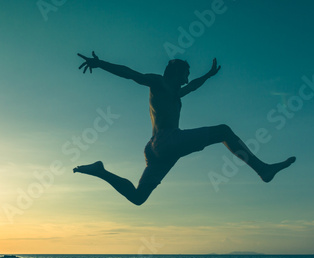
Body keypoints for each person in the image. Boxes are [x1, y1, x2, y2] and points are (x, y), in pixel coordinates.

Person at [74, 51, 296, 206]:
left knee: (139, 198)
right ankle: (262, 169)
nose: (187, 78)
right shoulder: (159, 82)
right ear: (175, 72)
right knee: (224, 131)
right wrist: (100, 63)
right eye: (185, 73)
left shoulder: (175, 93)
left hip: (154, 149)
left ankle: (100, 171)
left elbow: (192, 86)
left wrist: (208, 76)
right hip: (167, 140)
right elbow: (131, 74)